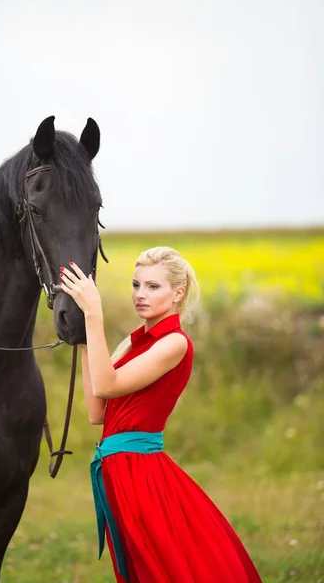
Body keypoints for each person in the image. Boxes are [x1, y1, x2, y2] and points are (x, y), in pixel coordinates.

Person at [59, 246, 262, 583]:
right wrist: (82, 340)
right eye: (136, 285)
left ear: (177, 293)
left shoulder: (174, 344)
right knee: (141, 568)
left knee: (162, 567)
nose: (141, 294)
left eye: (153, 286)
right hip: (117, 470)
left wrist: (94, 316)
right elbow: (98, 411)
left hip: (140, 472)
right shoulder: (134, 342)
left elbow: (107, 385)